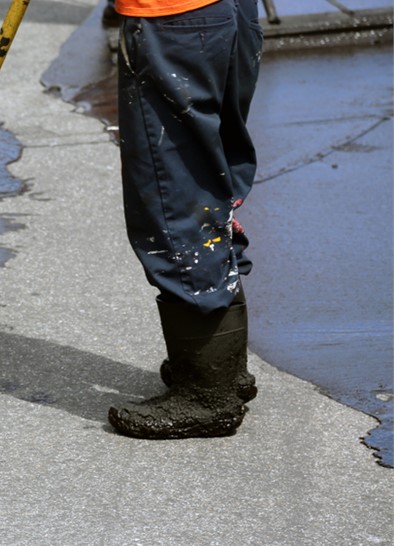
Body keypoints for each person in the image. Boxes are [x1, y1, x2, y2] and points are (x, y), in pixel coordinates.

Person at [106, 0, 264, 438]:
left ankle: (205, 394)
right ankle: (223, 368)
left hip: (172, 16)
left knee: (174, 194)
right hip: (228, 12)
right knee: (211, 181)